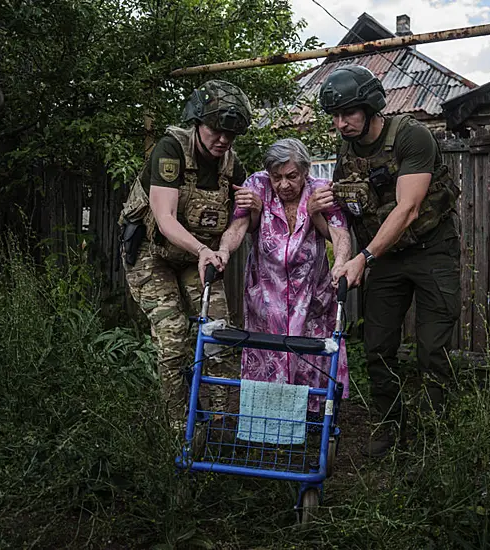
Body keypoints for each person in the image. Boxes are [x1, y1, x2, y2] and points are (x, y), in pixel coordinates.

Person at [317, 65, 462, 457]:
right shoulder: (345, 152)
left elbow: (409, 209)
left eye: (348, 113)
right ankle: (389, 426)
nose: (340, 123)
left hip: (432, 251)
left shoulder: (411, 136)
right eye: (335, 115)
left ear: (370, 107)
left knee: (432, 350)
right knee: (378, 347)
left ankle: (431, 438)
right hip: (385, 259)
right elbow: (344, 215)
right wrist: (339, 246)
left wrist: (364, 258)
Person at [118, 79, 251, 427]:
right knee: (174, 333)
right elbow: (164, 219)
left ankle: (222, 423)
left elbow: (241, 219)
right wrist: (203, 249)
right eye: (215, 129)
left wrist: (223, 248)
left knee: (220, 332)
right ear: (197, 122)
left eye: (230, 134)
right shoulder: (171, 149)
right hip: (152, 251)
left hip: (199, 256)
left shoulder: (232, 166)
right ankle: (179, 426)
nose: (222, 139)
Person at [215, 138, 352, 410]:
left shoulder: (320, 191)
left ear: (304, 172)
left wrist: (340, 264)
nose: (284, 185)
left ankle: (313, 420)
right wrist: (223, 252)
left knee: (309, 356)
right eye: (276, 177)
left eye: (291, 176)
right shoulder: (257, 185)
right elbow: (239, 227)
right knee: (266, 354)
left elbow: (339, 233)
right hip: (266, 294)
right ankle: (266, 422)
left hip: (311, 291)